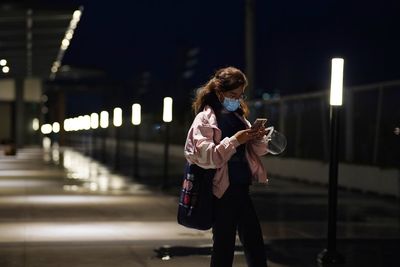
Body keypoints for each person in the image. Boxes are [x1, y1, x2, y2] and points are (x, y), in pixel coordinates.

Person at [184, 66, 269, 267]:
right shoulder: (205, 119)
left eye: (240, 95)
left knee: (254, 241)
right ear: (220, 92)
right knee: (224, 244)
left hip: (241, 186)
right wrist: (235, 141)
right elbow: (207, 156)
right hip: (220, 190)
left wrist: (258, 137)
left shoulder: (239, 116)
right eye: (232, 94)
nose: (237, 99)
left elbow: (256, 152)